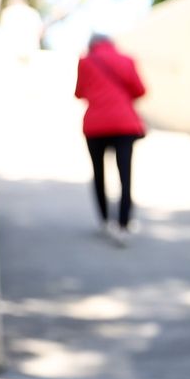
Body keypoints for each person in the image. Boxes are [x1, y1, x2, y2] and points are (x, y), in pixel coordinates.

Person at [74, 34, 146, 246]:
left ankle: (105, 221)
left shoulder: (85, 61)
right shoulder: (127, 60)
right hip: (124, 124)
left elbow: (79, 93)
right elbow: (140, 90)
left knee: (99, 174)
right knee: (125, 174)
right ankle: (124, 223)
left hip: (95, 125)